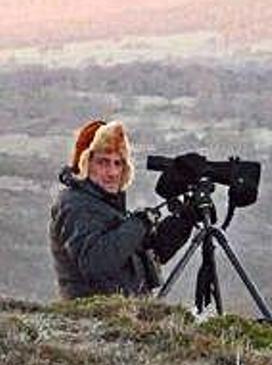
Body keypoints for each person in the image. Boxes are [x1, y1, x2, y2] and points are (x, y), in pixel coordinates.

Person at [49, 120, 197, 299]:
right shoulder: (76, 205)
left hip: (116, 315)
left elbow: (153, 253)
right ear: (85, 164)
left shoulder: (104, 205)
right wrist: (139, 223)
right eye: (103, 162)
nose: (112, 173)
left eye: (118, 163)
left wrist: (183, 220)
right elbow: (96, 262)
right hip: (92, 319)